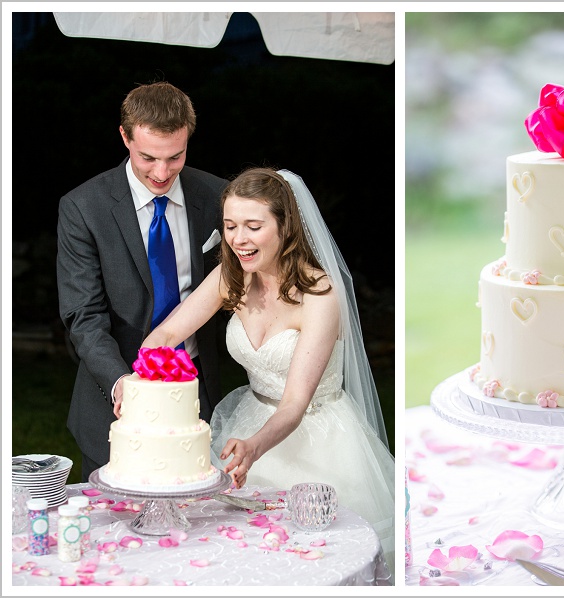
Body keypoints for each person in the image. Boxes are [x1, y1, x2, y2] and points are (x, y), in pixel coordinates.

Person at [137, 166, 396, 573]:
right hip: (249, 419)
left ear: (285, 227)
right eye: (231, 226)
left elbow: (294, 402)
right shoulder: (232, 276)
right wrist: (141, 377)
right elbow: (169, 330)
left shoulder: (320, 294)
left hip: (315, 439)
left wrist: (255, 446)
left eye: (253, 226)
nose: (239, 239)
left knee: (310, 564)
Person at [57, 81, 227, 482]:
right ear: (124, 136)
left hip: (197, 395)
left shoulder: (218, 196)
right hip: (111, 403)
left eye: (175, 156)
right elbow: (84, 316)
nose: (162, 172)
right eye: (148, 157)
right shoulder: (83, 208)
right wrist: (120, 383)